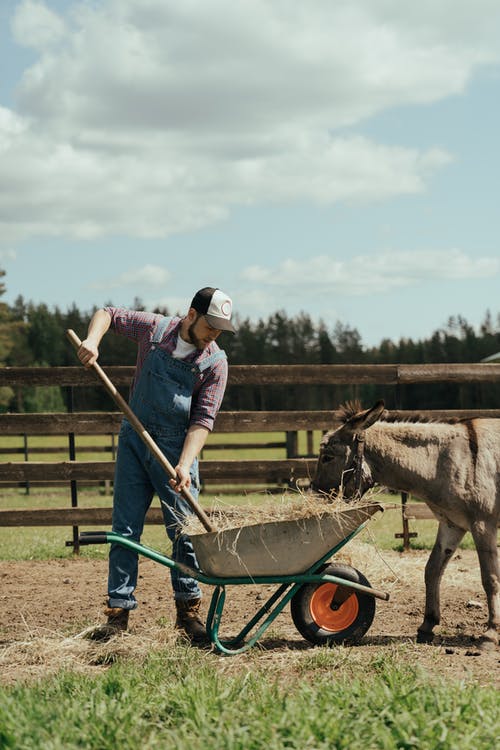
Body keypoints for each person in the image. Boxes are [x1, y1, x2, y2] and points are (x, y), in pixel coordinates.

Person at [77, 287, 235, 644]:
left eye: (220, 329)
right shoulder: (155, 331)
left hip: (176, 451)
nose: (214, 335)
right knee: (124, 531)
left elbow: (202, 420)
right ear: (191, 315)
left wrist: (184, 465)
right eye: (211, 325)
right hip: (135, 440)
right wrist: (92, 341)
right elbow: (109, 314)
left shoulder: (214, 362)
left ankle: (188, 613)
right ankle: (118, 614)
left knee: (184, 534)